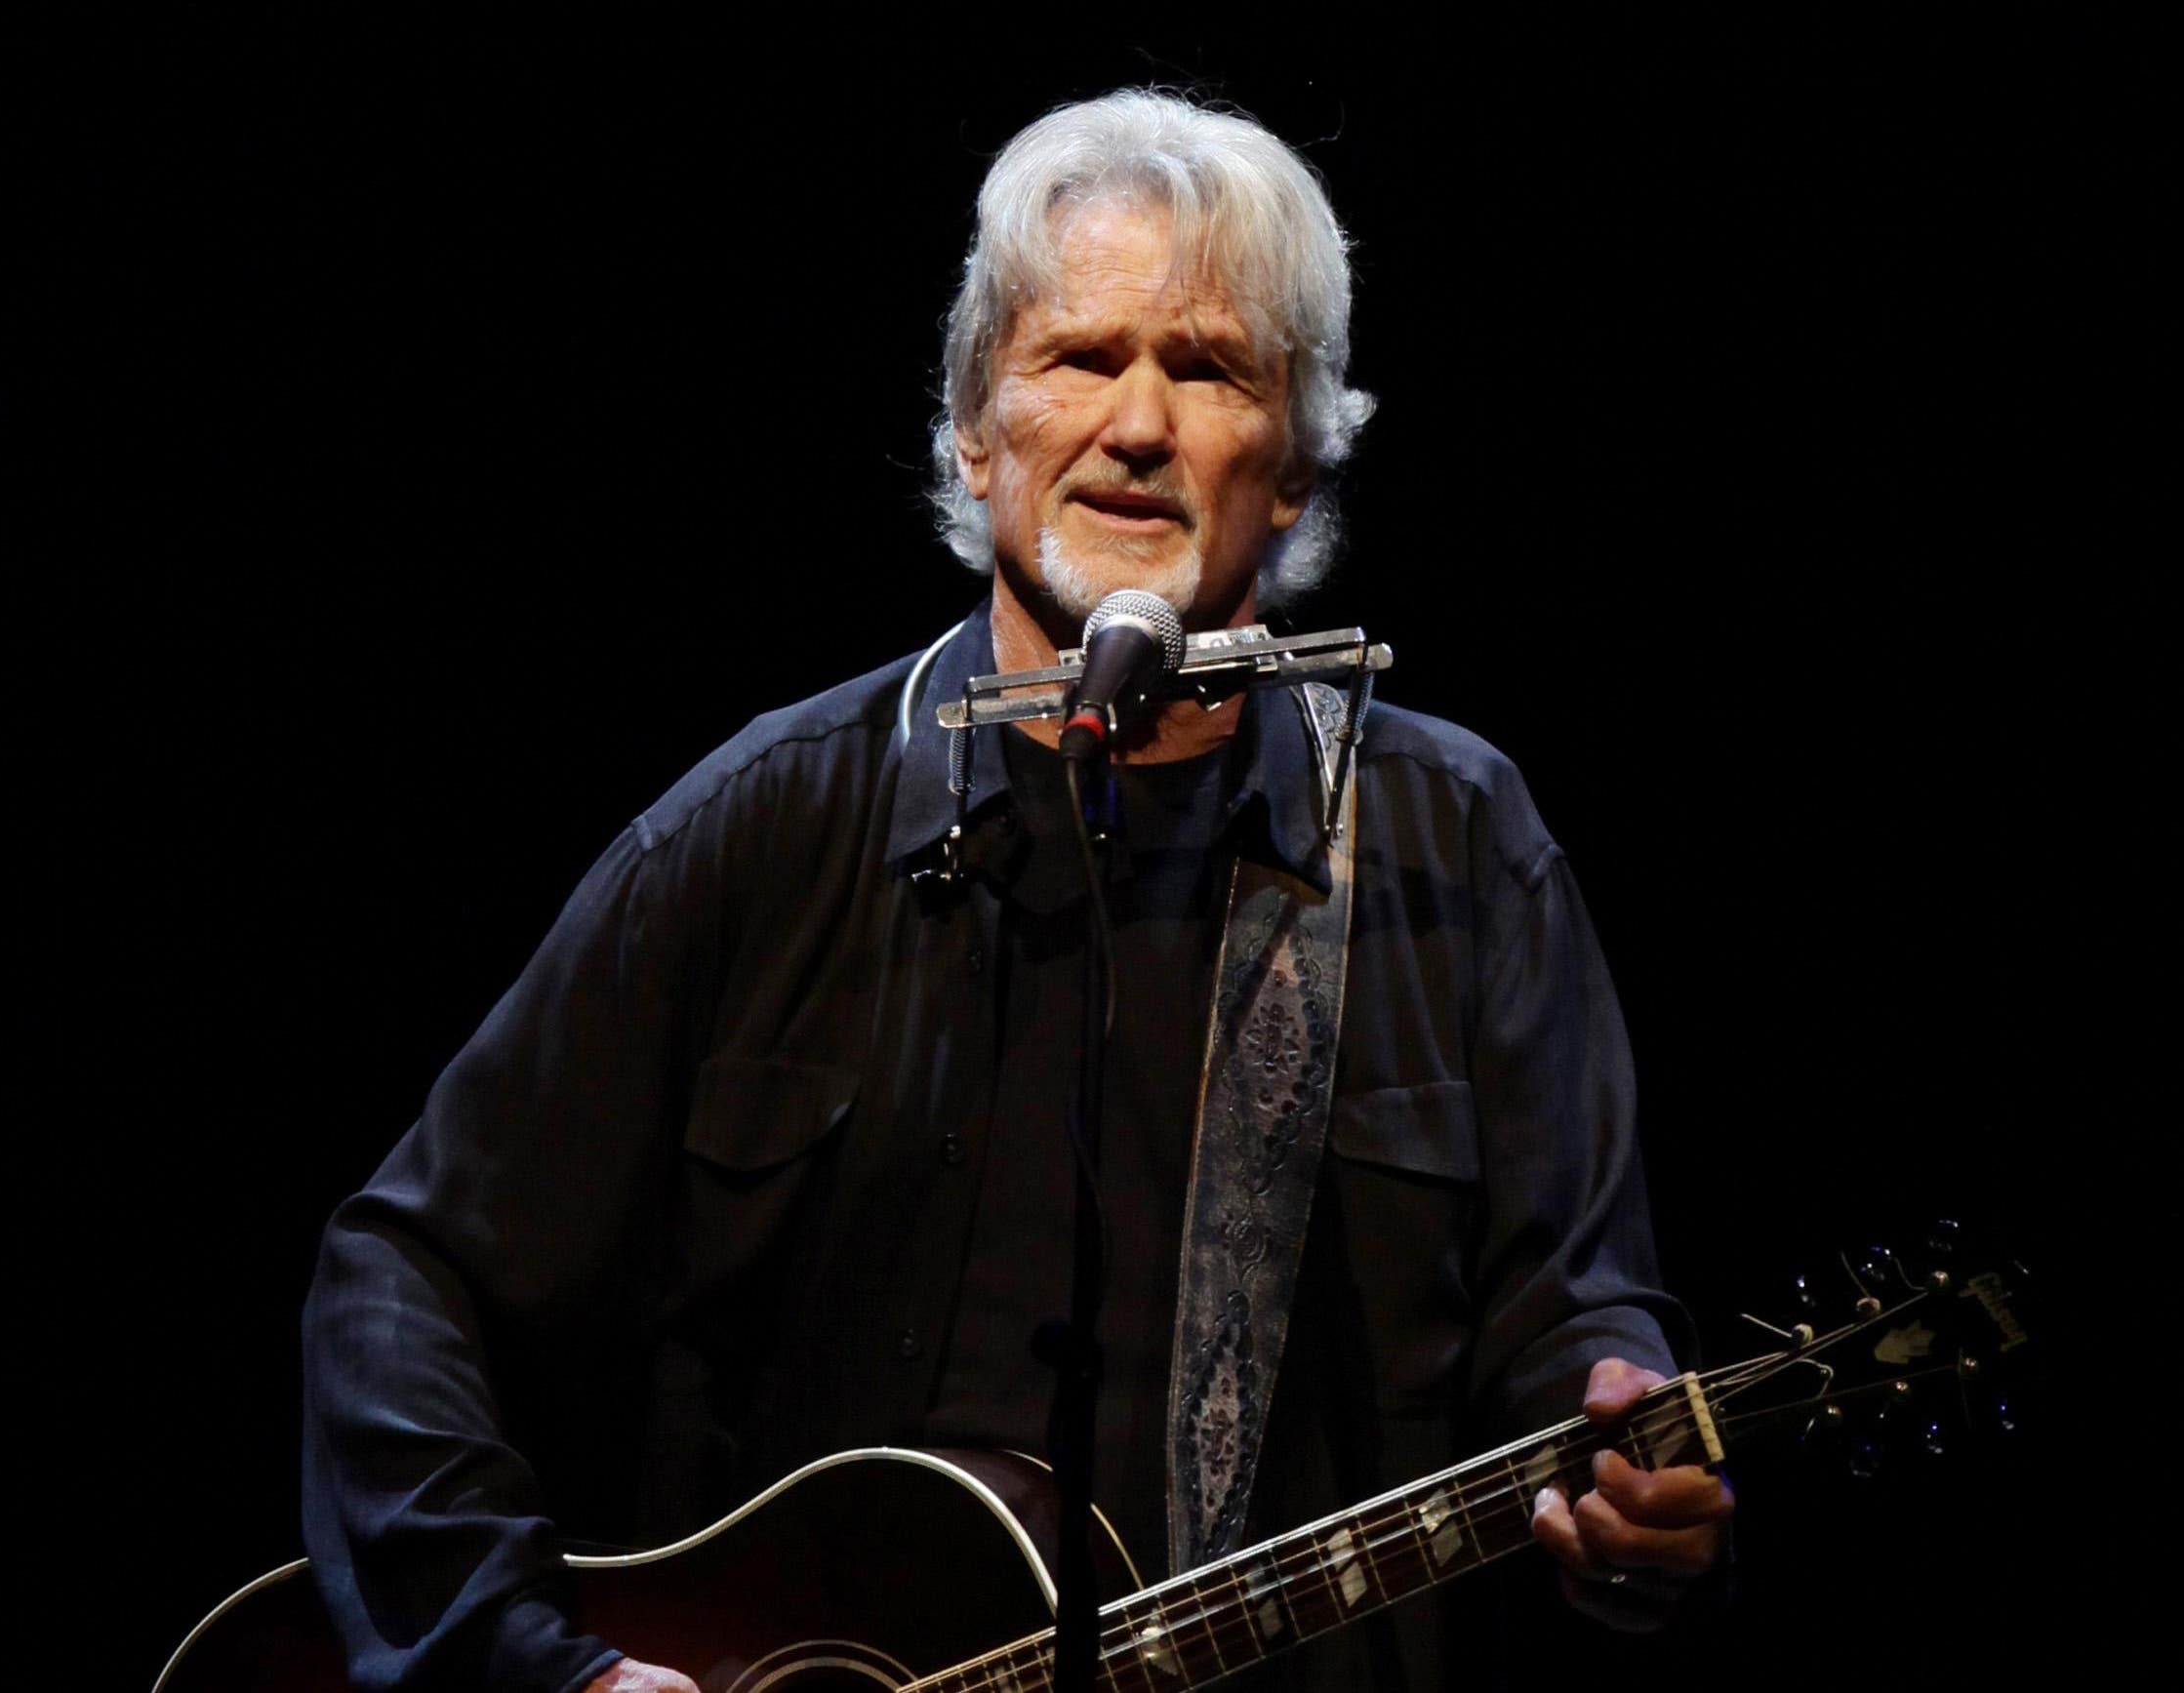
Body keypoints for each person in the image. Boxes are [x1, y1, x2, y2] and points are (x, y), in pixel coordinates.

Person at [302, 90, 1732, 1693]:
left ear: (1302, 472)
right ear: (976, 434)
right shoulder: (773, 822)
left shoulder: (1450, 846)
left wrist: (1623, 1459)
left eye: (1205, 369)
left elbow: (1578, 1332)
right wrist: (525, 1664)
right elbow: (404, 1278)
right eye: (1078, 358)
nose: (1136, 424)